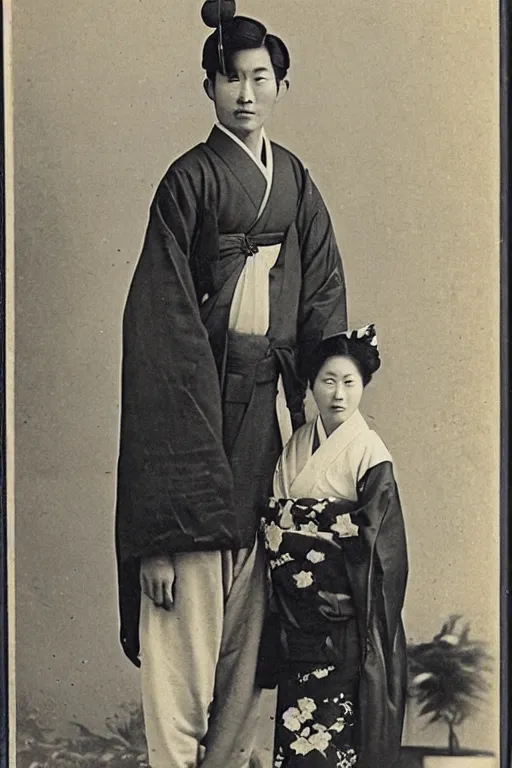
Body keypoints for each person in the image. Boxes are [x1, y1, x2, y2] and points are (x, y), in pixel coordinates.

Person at [114, 2, 348, 767]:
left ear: (281, 85)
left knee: (252, 662)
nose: (245, 94)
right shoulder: (188, 183)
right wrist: (158, 530)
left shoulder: (298, 184)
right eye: (230, 79)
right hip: (196, 427)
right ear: (209, 87)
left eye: (260, 78)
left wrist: (318, 426)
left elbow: (321, 306)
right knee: (181, 652)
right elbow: (162, 343)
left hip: (265, 440)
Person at [259, 324, 408, 768]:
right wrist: (312, 526)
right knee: (297, 738)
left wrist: (309, 527)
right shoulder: (297, 446)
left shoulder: (369, 452)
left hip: (345, 620)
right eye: (328, 381)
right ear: (312, 385)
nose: (338, 394)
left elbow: (382, 550)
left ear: (363, 386)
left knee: (338, 744)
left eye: (349, 382)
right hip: (297, 621)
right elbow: (275, 520)